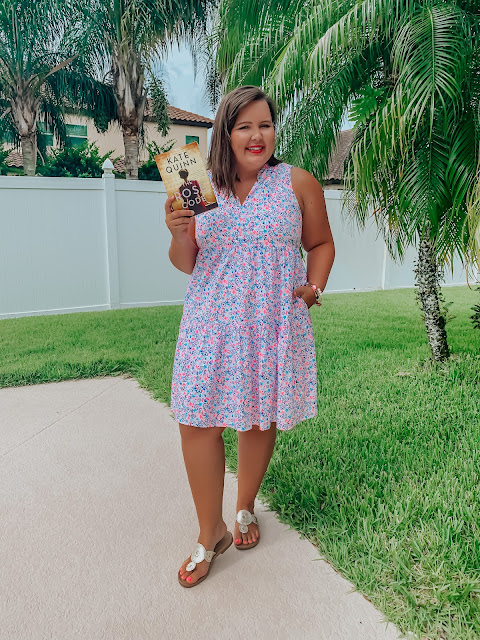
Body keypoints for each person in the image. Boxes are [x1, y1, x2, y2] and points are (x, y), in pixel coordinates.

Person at [165, 85, 335, 588]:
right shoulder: (196, 184)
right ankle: (210, 531)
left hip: (271, 323)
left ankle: (243, 508)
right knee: (196, 421)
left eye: (265, 124)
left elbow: (321, 243)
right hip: (209, 323)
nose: (257, 135)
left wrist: (313, 288)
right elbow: (186, 262)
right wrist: (178, 232)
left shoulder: (297, 182)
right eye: (244, 126)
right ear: (226, 132)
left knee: (259, 417)